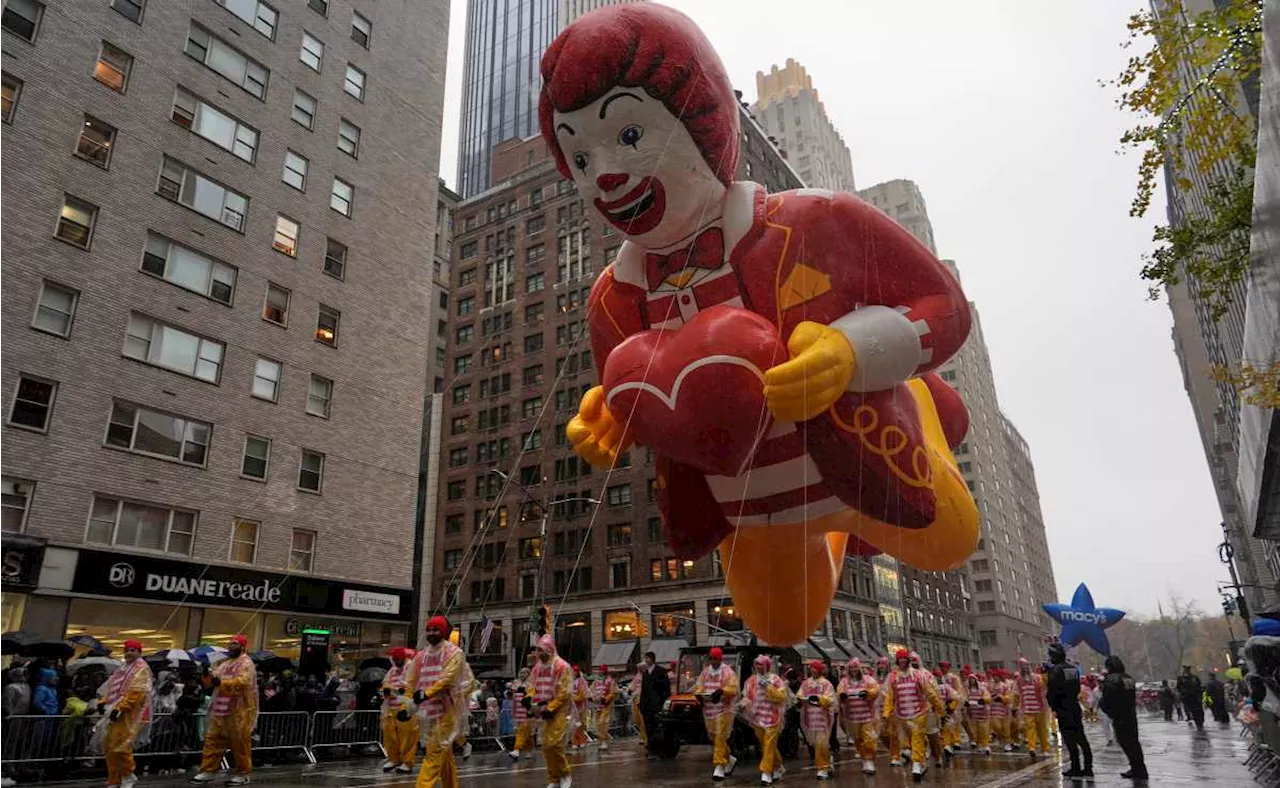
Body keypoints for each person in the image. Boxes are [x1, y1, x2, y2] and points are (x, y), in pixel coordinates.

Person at [408, 617, 468, 788]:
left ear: (443, 632)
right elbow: (411, 681)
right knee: (444, 752)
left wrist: (426, 694)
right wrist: (409, 705)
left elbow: (447, 679)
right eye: (429, 629)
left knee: (433, 753)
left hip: (447, 712)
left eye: (435, 629)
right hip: (428, 713)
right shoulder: (421, 655)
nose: (431, 633)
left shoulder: (454, 653)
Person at [192, 635, 257, 785]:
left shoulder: (247, 663)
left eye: (234, 643)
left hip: (238, 709)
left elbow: (243, 682)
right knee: (213, 740)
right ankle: (208, 770)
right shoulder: (225, 663)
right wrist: (206, 674)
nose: (230, 646)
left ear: (242, 646)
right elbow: (213, 681)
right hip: (220, 708)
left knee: (240, 742)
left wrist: (221, 682)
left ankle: (243, 773)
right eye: (230, 643)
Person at [97, 639, 154, 788]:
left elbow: (137, 692)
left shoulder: (141, 668)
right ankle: (114, 779)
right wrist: (103, 701)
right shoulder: (123, 668)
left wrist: (121, 708)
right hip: (115, 711)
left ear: (139, 652)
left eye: (132, 650)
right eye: (127, 650)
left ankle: (128, 775)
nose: (128, 653)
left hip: (129, 715)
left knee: (120, 746)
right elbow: (110, 687)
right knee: (110, 746)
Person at [882, 649, 942, 783]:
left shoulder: (918, 675)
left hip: (919, 712)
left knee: (917, 738)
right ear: (897, 661)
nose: (902, 661)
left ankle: (916, 764)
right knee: (910, 740)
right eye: (900, 658)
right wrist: (886, 712)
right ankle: (921, 764)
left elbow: (930, 693)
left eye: (904, 658)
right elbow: (890, 697)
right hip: (902, 714)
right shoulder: (893, 677)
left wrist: (940, 710)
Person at [530, 635, 573, 788]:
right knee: (546, 746)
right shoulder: (538, 667)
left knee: (555, 744)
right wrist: (530, 702)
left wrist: (551, 707)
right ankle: (553, 778)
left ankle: (565, 774)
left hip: (558, 711)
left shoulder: (562, 666)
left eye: (540, 650)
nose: (538, 653)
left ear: (549, 649)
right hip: (543, 711)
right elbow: (532, 687)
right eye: (537, 650)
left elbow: (564, 692)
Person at [1046, 642, 1092, 778]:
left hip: (1063, 709)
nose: (1049, 658)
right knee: (1081, 738)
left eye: (1050, 655)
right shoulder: (1073, 669)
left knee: (1070, 740)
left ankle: (1076, 767)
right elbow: (1077, 688)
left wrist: (1053, 706)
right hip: (1074, 706)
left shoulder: (1056, 670)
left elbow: (1052, 692)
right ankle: (1088, 768)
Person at [692, 647, 738, 781]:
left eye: (715, 658)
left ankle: (719, 765)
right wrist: (699, 694)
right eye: (711, 658)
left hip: (724, 709)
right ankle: (729, 758)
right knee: (713, 737)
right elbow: (700, 685)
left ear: (720, 659)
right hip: (709, 710)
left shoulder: (728, 672)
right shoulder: (706, 672)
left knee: (720, 737)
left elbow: (733, 687)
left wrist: (722, 692)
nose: (713, 661)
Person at [741, 654, 787, 785]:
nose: (757, 667)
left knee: (768, 744)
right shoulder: (751, 680)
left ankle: (766, 772)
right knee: (766, 745)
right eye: (756, 664)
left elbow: (781, 697)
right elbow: (748, 696)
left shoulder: (775, 679)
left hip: (773, 718)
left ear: (766, 665)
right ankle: (778, 766)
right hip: (757, 717)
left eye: (760, 664)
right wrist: (742, 704)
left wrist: (768, 687)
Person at [1099, 655, 1147, 780]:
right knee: (1134, 743)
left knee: (1125, 742)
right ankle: (1139, 768)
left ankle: (1137, 769)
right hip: (1130, 714)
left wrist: (1105, 708)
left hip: (1119, 716)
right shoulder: (1128, 678)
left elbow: (1107, 700)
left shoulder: (1110, 679)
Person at [836, 658, 879, 774]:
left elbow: (875, 690)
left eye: (855, 667)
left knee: (868, 738)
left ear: (859, 668)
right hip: (852, 717)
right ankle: (864, 759)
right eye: (851, 667)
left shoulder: (868, 679)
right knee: (858, 740)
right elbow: (839, 692)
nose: (853, 670)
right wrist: (842, 696)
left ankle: (869, 760)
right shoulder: (844, 682)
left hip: (867, 716)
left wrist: (868, 693)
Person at [380, 647, 417, 774]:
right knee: (390, 735)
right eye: (394, 659)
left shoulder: (412, 669)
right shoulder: (392, 670)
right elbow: (386, 682)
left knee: (407, 737)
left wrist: (406, 706)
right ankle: (393, 759)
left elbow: (412, 688)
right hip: (391, 708)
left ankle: (407, 761)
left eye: (398, 659)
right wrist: (386, 689)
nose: (396, 661)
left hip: (406, 708)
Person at [799, 660, 836, 780]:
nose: (813, 670)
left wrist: (819, 699)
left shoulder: (826, 683)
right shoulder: (806, 683)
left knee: (821, 743)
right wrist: (803, 699)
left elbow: (830, 699)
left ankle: (823, 768)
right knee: (816, 744)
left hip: (823, 719)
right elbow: (799, 695)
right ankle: (828, 760)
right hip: (810, 718)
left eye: (815, 668)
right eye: (811, 668)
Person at [1016, 657, 1050, 759]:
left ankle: (1045, 749)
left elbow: (1043, 687)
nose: (1025, 668)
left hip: (1039, 708)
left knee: (1042, 730)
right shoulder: (1019, 680)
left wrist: (1044, 674)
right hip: (1027, 709)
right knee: (1030, 729)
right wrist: (1017, 707)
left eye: (1026, 666)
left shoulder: (1036, 677)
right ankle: (1032, 748)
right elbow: (1017, 694)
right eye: (1022, 666)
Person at [638, 650, 670, 755]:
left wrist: (664, 703)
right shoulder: (645, 673)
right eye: (645, 658)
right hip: (647, 706)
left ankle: (658, 748)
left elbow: (666, 689)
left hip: (658, 705)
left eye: (648, 658)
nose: (646, 660)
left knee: (658, 727)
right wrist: (641, 705)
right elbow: (643, 690)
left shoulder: (661, 671)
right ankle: (651, 748)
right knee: (648, 727)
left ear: (652, 659)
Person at [508, 667, 533, 761]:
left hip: (527, 711)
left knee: (522, 731)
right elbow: (513, 699)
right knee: (526, 733)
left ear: (528, 674)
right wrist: (513, 712)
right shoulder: (516, 683)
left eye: (524, 673)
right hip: (518, 711)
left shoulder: (531, 685)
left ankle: (517, 749)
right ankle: (529, 749)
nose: (522, 674)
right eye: (521, 672)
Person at [590, 665, 617, 751]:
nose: (600, 672)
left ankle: (604, 741)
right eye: (600, 670)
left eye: (602, 670)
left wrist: (606, 699)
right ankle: (601, 741)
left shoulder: (610, 681)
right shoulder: (596, 681)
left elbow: (613, 692)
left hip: (606, 706)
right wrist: (592, 697)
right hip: (597, 705)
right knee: (598, 724)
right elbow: (591, 690)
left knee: (603, 723)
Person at [964, 672, 992, 754]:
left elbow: (987, 697)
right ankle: (979, 744)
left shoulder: (982, 689)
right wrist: (966, 703)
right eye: (970, 680)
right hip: (973, 713)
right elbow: (964, 698)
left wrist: (983, 700)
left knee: (984, 729)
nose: (972, 681)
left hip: (982, 712)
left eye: (973, 679)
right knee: (976, 730)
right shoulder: (968, 691)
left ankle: (986, 745)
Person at [1176, 666, 1205, 730]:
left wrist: (1200, 693)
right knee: (1193, 710)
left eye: (1187, 670)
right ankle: (1197, 722)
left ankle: (1201, 720)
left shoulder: (1194, 677)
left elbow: (1199, 686)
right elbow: (1178, 687)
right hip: (1188, 697)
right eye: (1185, 670)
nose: (1186, 672)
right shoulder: (1181, 678)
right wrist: (1183, 692)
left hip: (1196, 697)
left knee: (1199, 710)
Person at [569, 665, 589, 749]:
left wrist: (574, 698)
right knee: (572, 725)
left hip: (580, 706)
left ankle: (582, 740)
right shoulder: (569, 681)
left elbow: (583, 694)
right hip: (571, 707)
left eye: (576, 671)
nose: (574, 673)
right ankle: (575, 741)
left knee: (579, 724)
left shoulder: (582, 681)